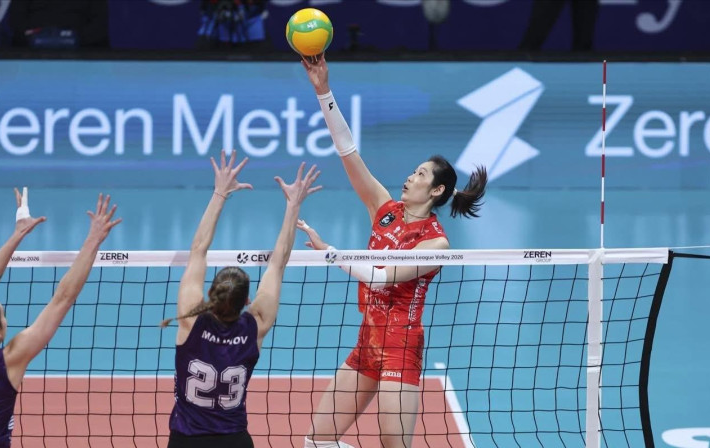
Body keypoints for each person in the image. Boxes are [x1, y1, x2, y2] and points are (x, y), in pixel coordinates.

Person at [297, 56, 487, 448]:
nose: (410, 177)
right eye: (413, 171)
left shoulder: (436, 244)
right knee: (317, 441)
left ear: (436, 191)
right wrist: (323, 91)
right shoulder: (384, 210)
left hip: (401, 345)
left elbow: (382, 277)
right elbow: (348, 151)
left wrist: (330, 253)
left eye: (420, 174)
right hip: (367, 340)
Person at [161, 150, 321, 448]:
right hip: (234, 441)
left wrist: (220, 193)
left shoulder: (191, 320)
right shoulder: (255, 326)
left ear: (210, 294)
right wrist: (293, 205)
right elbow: (278, 263)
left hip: (186, 441)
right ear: (248, 301)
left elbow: (198, 250)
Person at [0, 188, 121, 448]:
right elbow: (63, 298)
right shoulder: (9, 361)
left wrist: (18, 233)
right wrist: (93, 240)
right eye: (4, 316)